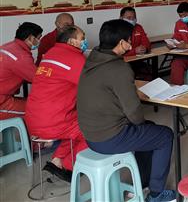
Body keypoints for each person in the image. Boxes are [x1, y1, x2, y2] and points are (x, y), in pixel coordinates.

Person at [77, 20, 176, 202]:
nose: (130, 45)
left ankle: (142, 183)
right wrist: (139, 120)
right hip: (109, 137)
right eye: (129, 41)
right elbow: (134, 112)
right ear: (121, 42)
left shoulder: (92, 59)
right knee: (164, 136)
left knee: (149, 129)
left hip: (89, 135)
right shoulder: (119, 68)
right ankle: (157, 194)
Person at [25, 26, 89, 181]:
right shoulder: (75, 59)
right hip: (52, 121)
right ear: (71, 42)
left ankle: (57, 160)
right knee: (93, 128)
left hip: (34, 118)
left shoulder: (51, 53)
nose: (85, 41)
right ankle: (68, 166)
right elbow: (92, 87)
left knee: (76, 123)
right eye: (82, 38)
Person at [0, 22, 42, 120]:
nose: (39, 41)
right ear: (31, 38)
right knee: (39, 109)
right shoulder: (21, 56)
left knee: (31, 103)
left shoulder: (8, 46)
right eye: (39, 38)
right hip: (2, 102)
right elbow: (39, 78)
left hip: (5, 97)